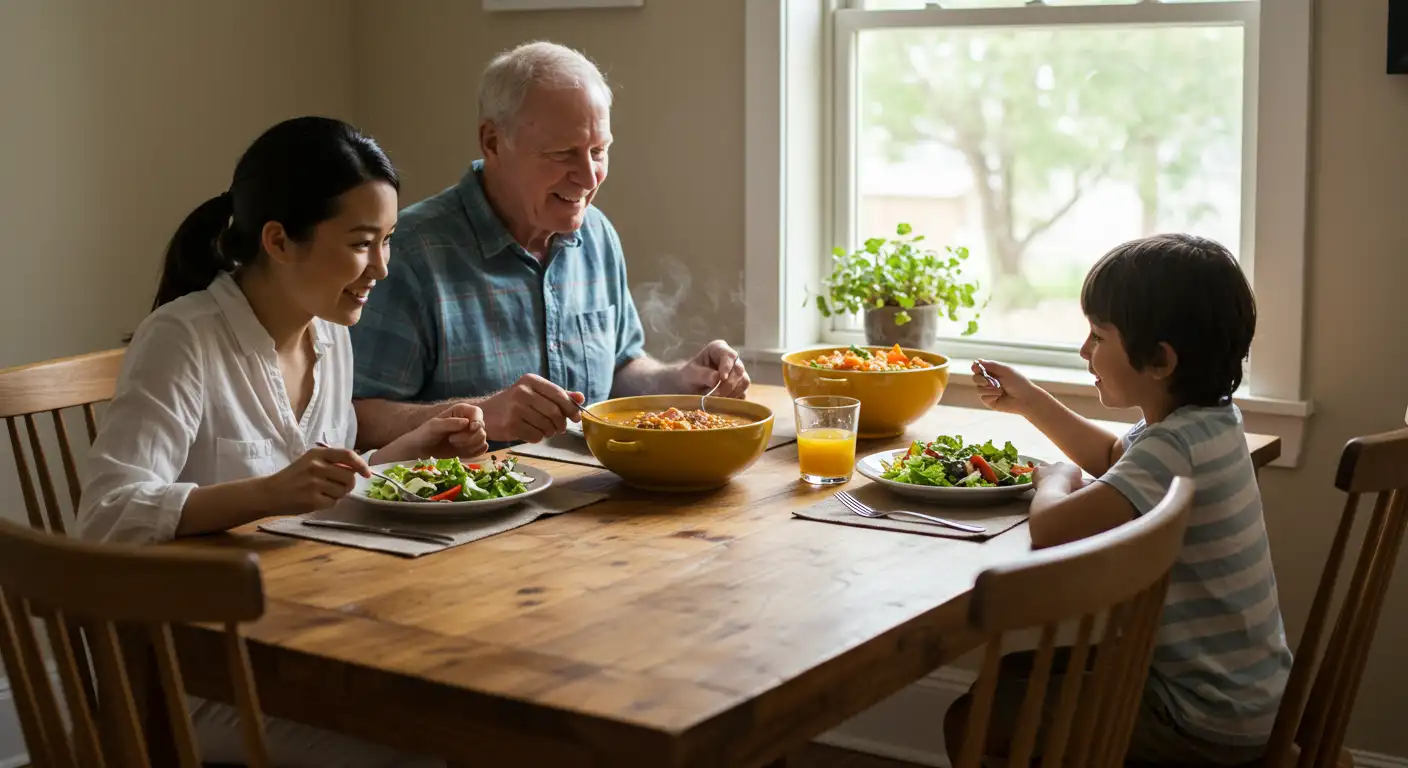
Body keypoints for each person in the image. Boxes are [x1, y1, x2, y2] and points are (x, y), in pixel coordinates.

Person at [77, 116, 477, 766]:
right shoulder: (183, 339)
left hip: (301, 646)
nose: (381, 267)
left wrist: (414, 447)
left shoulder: (332, 334)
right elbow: (107, 515)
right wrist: (263, 494)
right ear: (279, 240)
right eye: (360, 243)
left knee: (466, 719)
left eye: (388, 241)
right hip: (186, 675)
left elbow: (323, 491)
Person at [945, 234, 1293, 765]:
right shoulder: (1208, 422)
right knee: (1012, 675)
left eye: (1098, 336)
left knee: (974, 718)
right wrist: (1031, 402)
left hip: (1197, 716)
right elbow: (1113, 455)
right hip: (1242, 695)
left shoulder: (1173, 446)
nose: (1084, 351)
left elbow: (1053, 527)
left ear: (1159, 360)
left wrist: (1055, 477)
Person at [349, 41, 749, 450]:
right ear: (492, 142)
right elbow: (356, 419)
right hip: (461, 506)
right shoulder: (411, 253)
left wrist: (680, 380)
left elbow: (620, 368)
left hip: (592, 498)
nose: (590, 177)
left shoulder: (597, 234)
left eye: (599, 151)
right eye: (563, 154)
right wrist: (485, 414)